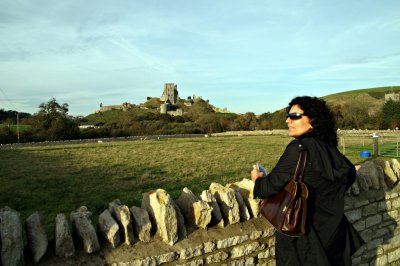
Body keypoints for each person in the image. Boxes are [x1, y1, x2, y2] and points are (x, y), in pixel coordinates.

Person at [251, 96, 364, 265]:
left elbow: (265, 189)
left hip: (304, 240)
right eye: (287, 116)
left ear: (313, 119)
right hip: (334, 234)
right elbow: (348, 175)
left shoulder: (298, 149)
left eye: (295, 116)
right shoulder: (330, 149)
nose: (288, 120)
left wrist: (258, 179)